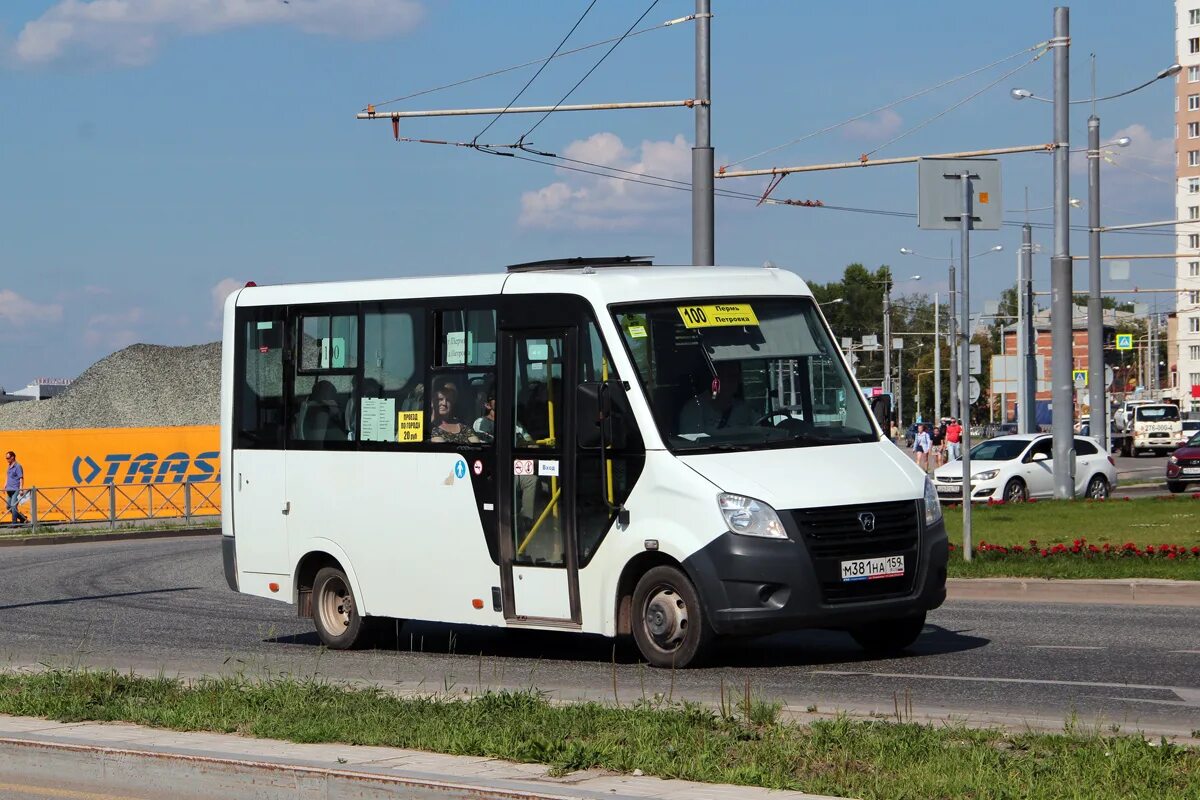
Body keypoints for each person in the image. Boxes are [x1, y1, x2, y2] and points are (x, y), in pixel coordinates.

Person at [677, 361, 755, 435]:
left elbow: (761, 428)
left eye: (736, 377)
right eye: (728, 376)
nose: (734, 381)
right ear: (715, 380)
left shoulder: (743, 408)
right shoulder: (694, 408)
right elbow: (693, 442)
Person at [6, 451, 28, 525]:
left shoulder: (18, 466)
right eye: (6, 458)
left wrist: (21, 489)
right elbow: (8, 476)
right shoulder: (9, 466)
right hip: (9, 489)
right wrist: (5, 484)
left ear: (12, 457)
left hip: (15, 489)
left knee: (13, 506)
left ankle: (14, 523)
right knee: (8, 506)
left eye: (8, 458)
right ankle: (22, 518)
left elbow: (21, 478)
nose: (7, 459)